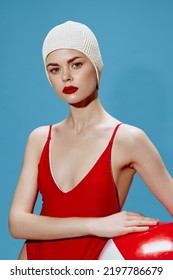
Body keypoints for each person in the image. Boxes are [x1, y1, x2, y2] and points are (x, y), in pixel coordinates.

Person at [9, 21, 173, 260]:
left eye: (76, 64)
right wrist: (97, 225)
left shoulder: (128, 139)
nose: (66, 76)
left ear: (95, 66)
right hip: (31, 265)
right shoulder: (40, 138)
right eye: (54, 69)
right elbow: (17, 223)